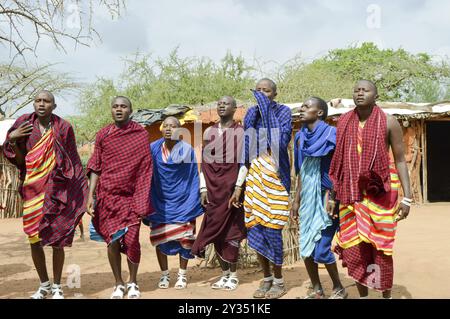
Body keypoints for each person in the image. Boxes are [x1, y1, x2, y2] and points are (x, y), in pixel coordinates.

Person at [329, 80, 412, 299]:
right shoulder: (344, 121)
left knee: (381, 249)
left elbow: (401, 160)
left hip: (381, 193)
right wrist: (333, 195)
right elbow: (337, 164)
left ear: (376, 95)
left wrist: (407, 199)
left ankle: (386, 296)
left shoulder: (388, 122)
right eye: (356, 90)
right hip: (350, 194)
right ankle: (364, 296)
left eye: (365, 90)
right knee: (355, 249)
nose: (360, 93)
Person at [3, 90, 88, 299]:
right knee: (34, 237)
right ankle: (44, 284)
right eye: (38, 100)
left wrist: (78, 192)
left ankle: (58, 285)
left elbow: (71, 160)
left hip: (57, 190)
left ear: (54, 106)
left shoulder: (63, 127)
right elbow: (22, 161)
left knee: (57, 237)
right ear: (34, 104)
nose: (41, 104)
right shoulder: (24, 124)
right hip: (32, 189)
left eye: (46, 101)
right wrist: (13, 140)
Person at [230, 78, 292, 299]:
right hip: (255, 182)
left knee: (273, 232)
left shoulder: (283, 112)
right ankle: (266, 279)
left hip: (275, 182)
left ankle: (279, 281)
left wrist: (265, 111)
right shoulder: (250, 115)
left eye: (266, 91)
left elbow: (280, 141)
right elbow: (246, 154)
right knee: (256, 231)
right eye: (258, 90)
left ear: (275, 94)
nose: (262, 94)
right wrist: (239, 186)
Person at [86, 96, 153, 299]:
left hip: (132, 197)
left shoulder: (140, 134)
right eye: (115, 106)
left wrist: (142, 197)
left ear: (130, 110)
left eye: (123, 106)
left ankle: (133, 281)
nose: (119, 109)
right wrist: (91, 196)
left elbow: (145, 167)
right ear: (111, 110)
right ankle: (118, 283)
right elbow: (95, 166)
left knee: (132, 240)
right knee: (112, 241)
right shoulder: (103, 135)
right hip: (107, 197)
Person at [290, 97, 347, 299]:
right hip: (307, 198)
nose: (301, 109)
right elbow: (301, 172)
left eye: (307, 107)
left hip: (328, 197)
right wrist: (296, 200)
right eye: (302, 106)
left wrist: (333, 196)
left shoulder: (333, 134)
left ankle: (339, 287)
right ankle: (317, 289)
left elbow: (340, 169)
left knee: (322, 248)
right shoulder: (300, 138)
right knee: (306, 245)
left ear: (320, 112)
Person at [191, 96, 247, 291]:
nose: (222, 106)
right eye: (219, 104)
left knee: (231, 231)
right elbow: (204, 164)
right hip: (213, 189)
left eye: (226, 104)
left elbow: (244, 162)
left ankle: (233, 275)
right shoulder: (209, 132)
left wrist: (239, 188)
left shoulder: (241, 132)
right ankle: (224, 275)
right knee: (215, 231)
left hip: (232, 190)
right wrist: (203, 188)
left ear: (234, 109)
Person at [148, 116, 203, 290]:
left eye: (173, 126)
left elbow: (192, 176)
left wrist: (193, 200)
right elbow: (146, 174)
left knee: (185, 239)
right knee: (160, 238)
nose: (169, 129)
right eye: (166, 126)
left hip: (184, 202)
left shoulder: (186, 150)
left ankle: (182, 275)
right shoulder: (153, 149)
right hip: (160, 202)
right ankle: (164, 275)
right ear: (161, 129)